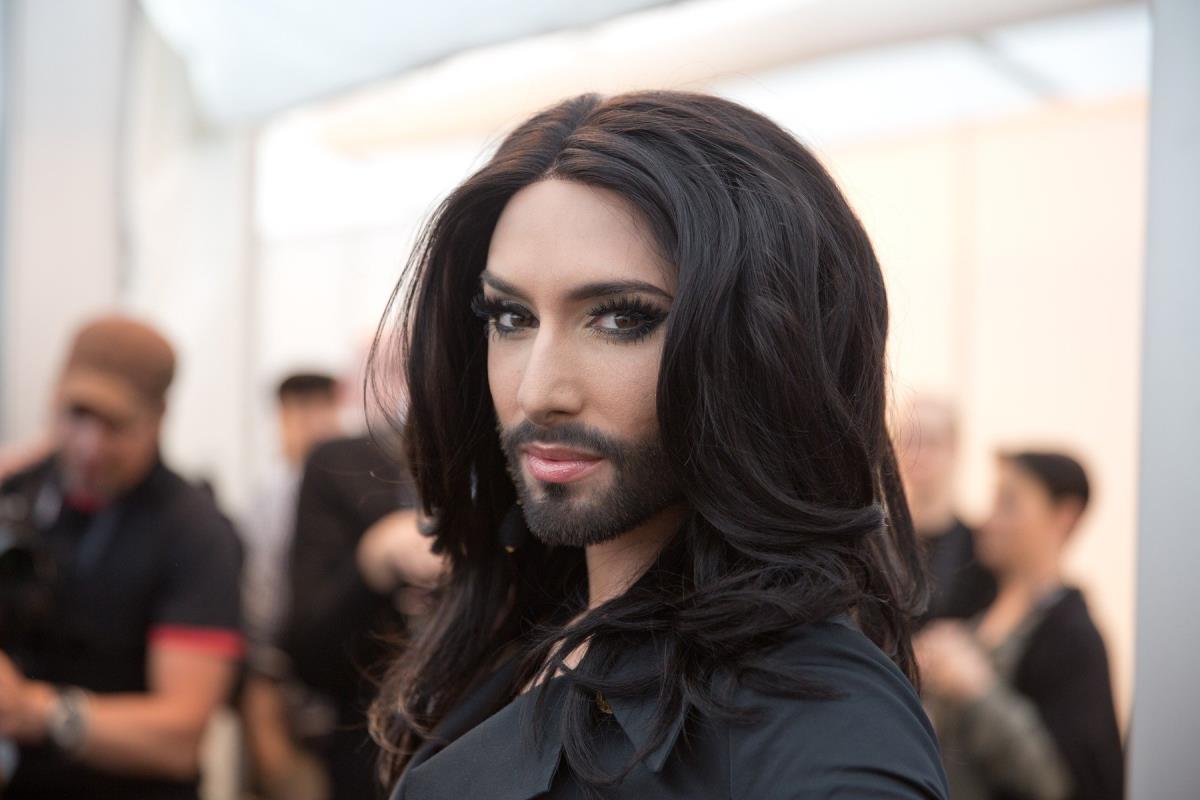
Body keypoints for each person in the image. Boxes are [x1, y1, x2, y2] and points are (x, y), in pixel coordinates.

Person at [367, 90, 948, 799]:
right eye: (511, 317)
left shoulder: (815, 710)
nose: (539, 390)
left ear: (765, 348)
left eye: (620, 319)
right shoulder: (518, 633)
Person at [0, 315, 243, 799]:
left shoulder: (196, 532)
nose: (91, 445)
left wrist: (32, 710)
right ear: (54, 399)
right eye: (78, 414)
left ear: (159, 417)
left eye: (116, 425)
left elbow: (179, 738)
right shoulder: (20, 490)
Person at [916, 451, 1124, 800]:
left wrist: (976, 690)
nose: (989, 521)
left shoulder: (1073, 638)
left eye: (1009, 504)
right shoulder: (970, 611)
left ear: (1064, 516)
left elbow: (1063, 780)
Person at [281, 434, 441, 800]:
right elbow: (307, 656)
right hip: (368, 751)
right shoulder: (339, 465)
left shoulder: (504, 455)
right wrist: (372, 560)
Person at [239, 372, 343, 800]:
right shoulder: (270, 501)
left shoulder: (353, 487)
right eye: (300, 410)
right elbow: (258, 630)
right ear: (282, 418)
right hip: (286, 703)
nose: (313, 423)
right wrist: (266, 735)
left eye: (322, 408)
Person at [896, 395, 996, 628]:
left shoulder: (980, 548)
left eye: (931, 442)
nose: (918, 454)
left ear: (954, 449)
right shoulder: (874, 540)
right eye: (909, 440)